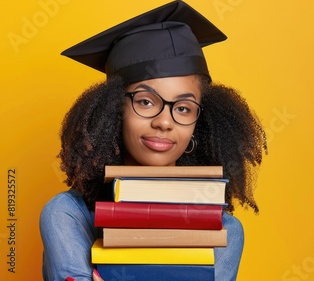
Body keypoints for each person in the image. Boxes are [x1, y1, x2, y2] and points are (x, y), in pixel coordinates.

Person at [39, 1, 267, 280]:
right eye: (146, 101)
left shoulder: (223, 231)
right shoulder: (67, 216)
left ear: (199, 123)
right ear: (113, 110)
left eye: (183, 108)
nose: (164, 121)